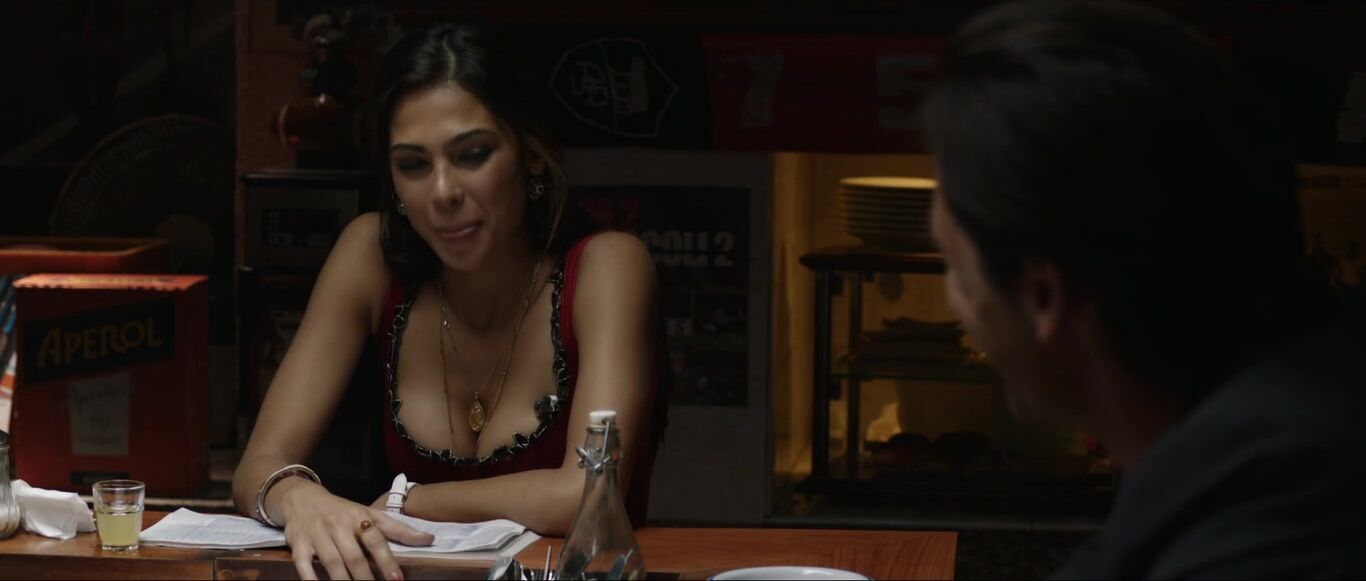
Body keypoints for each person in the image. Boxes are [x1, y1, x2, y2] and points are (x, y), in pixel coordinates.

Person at [922, 0, 1366, 577]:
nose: (955, 302)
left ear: (1042, 296)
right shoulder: (1252, 443)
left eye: (956, 271)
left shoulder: (1282, 524)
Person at [232, 24, 665, 581]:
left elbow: (586, 491)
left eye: (472, 155)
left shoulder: (608, 267)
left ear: (532, 155)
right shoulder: (369, 257)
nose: (442, 192)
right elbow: (256, 469)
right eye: (413, 165)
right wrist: (300, 499)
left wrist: (402, 503)